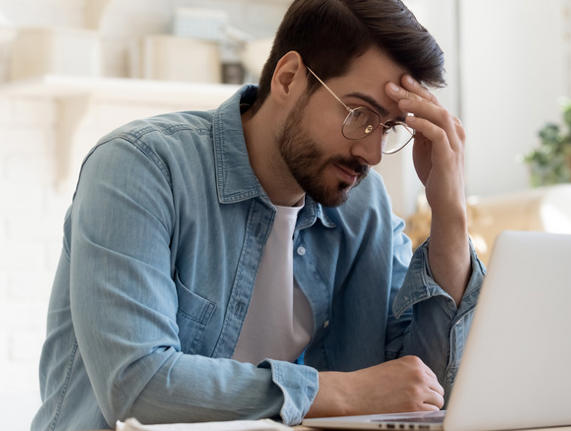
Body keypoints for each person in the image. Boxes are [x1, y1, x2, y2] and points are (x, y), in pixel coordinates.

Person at [32, 1, 485, 430]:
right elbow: (137, 386)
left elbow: (428, 387)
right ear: (288, 79)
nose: (370, 152)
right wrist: (343, 392)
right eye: (359, 114)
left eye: (387, 128)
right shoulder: (141, 168)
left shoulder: (364, 210)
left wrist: (449, 214)